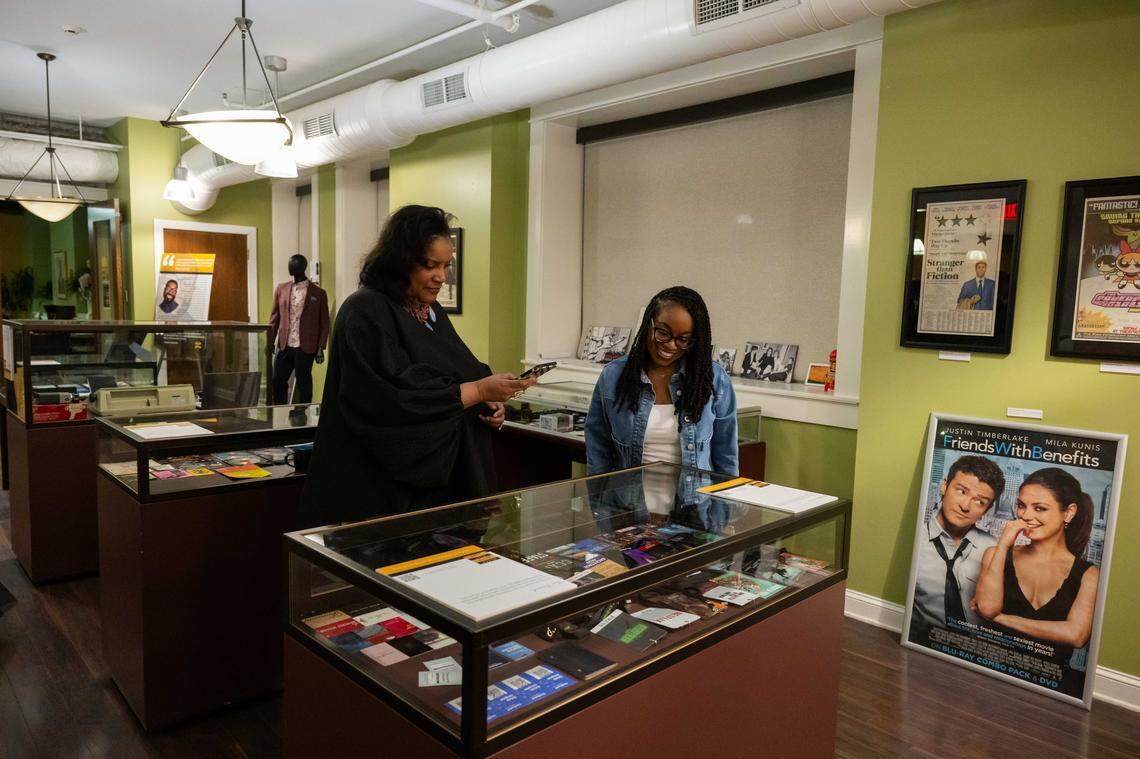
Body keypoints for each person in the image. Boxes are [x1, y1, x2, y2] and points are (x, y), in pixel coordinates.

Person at [302, 205, 535, 526]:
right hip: (378, 493)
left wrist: (488, 402)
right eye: (430, 265)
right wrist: (479, 389)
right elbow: (391, 400)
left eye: (446, 266)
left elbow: (458, 369)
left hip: (436, 493)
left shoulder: (430, 311)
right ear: (400, 261)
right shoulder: (365, 311)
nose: (441, 276)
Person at [585, 286, 738, 477]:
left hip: (695, 505)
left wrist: (725, 505)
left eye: (683, 339)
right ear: (648, 323)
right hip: (625, 504)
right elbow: (598, 451)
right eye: (663, 333)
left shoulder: (714, 379)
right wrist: (598, 502)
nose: (671, 345)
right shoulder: (613, 376)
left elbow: (726, 461)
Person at [975, 468, 1099, 689]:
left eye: (1039, 508)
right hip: (992, 673)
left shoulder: (1089, 575)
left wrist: (1002, 618)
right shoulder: (996, 555)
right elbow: (987, 608)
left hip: (1054, 685)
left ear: (1068, 513)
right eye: (1022, 505)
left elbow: (1076, 635)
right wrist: (1004, 544)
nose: (1025, 516)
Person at [909, 455, 1003, 639]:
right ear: (944, 486)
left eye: (980, 502)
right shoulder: (914, 541)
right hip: (924, 642)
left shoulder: (995, 550)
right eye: (961, 491)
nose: (965, 506)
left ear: (987, 509)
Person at [268, 254, 330, 404]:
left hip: (306, 346)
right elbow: (274, 318)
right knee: (277, 381)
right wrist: (270, 341)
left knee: (304, 383)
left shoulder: (319, 293)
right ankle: (280, 414)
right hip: (284, 345)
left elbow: (324, 323)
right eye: (290, 264)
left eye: (293, 265)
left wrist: (321, 347)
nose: (290, 267)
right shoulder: (281, 289)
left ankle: (304, 414)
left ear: (302, 267)